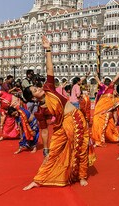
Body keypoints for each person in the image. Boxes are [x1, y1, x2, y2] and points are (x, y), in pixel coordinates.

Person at [22, 35, 95, 190]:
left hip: (75, 119)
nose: (39, 88)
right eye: (35, 90)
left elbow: (50, 69)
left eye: (36, 87)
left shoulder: (49, 88)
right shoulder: (41, 111)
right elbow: (44, 132)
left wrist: (48, 49)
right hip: (61, 125)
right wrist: (46, 150)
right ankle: (38, 179)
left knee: (80, 147)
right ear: (33, 98)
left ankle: (82, 176)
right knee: (53, 152)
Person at [91, 68, 119, 147]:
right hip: (99, 110)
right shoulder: (110, 90)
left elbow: (114, 110)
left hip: (107, 113)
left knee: (111, 125)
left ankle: (117, 138)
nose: (114, 91)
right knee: (99, 124)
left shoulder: (118, 100)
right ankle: (98, 141)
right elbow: (114, 80)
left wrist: (115, 119)